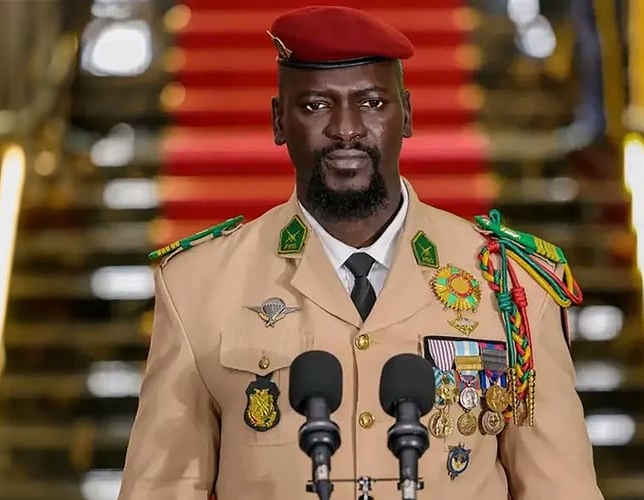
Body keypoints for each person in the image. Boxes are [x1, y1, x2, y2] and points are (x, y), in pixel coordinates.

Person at [118, 5, 603, 500]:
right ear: (279, 121)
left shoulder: (509, 283)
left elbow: (561, 489)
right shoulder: (199, 285)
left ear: (406, 114)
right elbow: (160, 488)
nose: (346, 129)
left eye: (371, 103)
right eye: (315, 106)